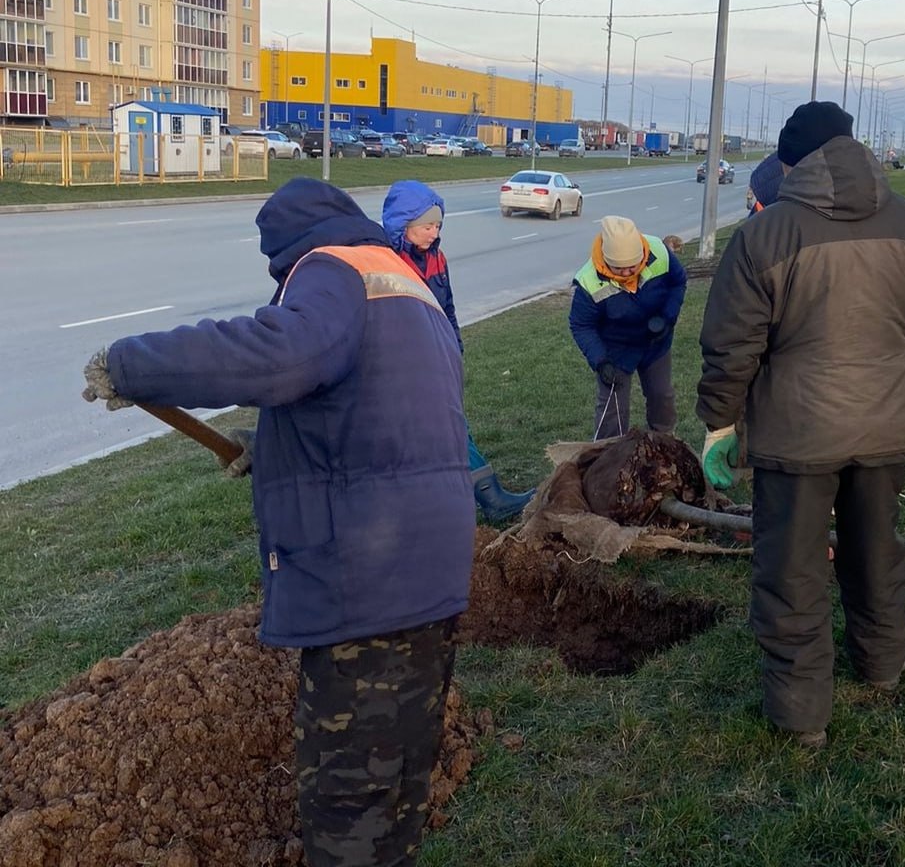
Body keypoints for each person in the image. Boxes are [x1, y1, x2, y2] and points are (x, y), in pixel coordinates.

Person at [82, 177, 474, 866]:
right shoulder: (402, 279)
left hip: (367, 588)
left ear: (288, 250)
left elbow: (283, 353)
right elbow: (374, 417)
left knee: (346, 808)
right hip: (430, 572)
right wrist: (273, 453)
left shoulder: (329, 269)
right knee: (400, 794)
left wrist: (131, 364)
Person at [696, 102, 905, 748]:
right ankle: (883, 668)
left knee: (792, 570)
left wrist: (719, 425)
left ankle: (802, 713)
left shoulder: (765, 235)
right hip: (889, 431)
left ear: (791, 163)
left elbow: (733, 346)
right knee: (876, 551)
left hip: (797, 438)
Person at [382, 179, 534, 521]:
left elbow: (447, 307)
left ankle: (445, 501)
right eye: (426, 227)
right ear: (402, 226)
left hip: (439, 357)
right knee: (446, 428)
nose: (433, 233)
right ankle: (489, 499)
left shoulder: (438, 259)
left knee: (444, 428)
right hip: (403, 365)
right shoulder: (385, 262)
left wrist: (454, 346)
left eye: (437, 225)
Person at [569, 215, 688, 440]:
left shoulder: (660, 252)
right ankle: (608, 455)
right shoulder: (588, 281)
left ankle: (664, 444)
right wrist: (601, 361)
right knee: (612, 410)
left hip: (655, 341)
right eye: (619, 269)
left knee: (661, 396)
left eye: (632, 267)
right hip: (616, 350)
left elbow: (678, 282)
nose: (626, 274)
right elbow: (581, 325)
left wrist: (667, 317)